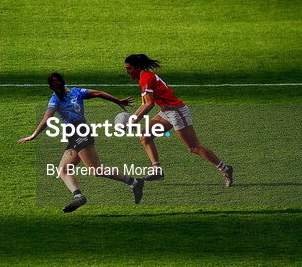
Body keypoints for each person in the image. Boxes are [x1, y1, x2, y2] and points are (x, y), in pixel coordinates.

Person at [20, 72, 145, 212]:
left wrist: (34, 135)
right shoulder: (72, 93)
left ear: (51, 87)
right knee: (63, 170)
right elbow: (98, 93)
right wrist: (117, 101)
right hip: (76, 134)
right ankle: (78, 196)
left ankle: (135, 182)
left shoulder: (59, 97)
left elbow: (47, 119)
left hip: (79, 133)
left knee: (96, 170)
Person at [123, 54, 234, 186]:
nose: (127, 72)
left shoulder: (145, 78)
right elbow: (144, 103)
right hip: (166, 111)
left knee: (193, 147)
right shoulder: (144, 77)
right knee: (145, 136)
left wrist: (134, 120)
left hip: (177, 112)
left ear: (138, 67)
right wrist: (133, 119)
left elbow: (149, 104)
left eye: (129, 68)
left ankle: (224, 168)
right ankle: (157, 170)